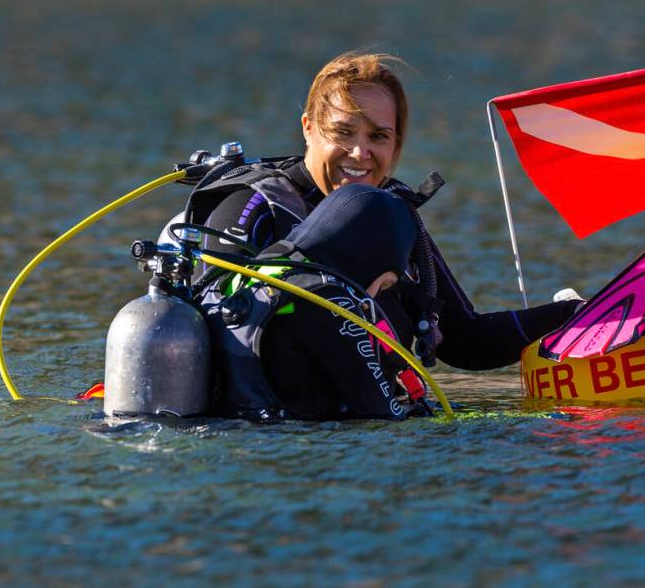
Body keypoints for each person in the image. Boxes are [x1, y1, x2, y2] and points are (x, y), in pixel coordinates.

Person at [183, 51, 583, 377]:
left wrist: (582, 315)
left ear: (397, 144)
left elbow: (465, 342)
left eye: (378, 136)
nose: (360, 154)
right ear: (308, 128)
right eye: (343, 132)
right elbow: (220, 326)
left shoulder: (393, 213)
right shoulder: (254, 205)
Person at [199, 184, 424, 421]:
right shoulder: (332, 301)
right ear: (368, 258)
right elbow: (380, 410)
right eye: (384, 283)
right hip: (284, 438)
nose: (375, 295)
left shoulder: (256, 271)